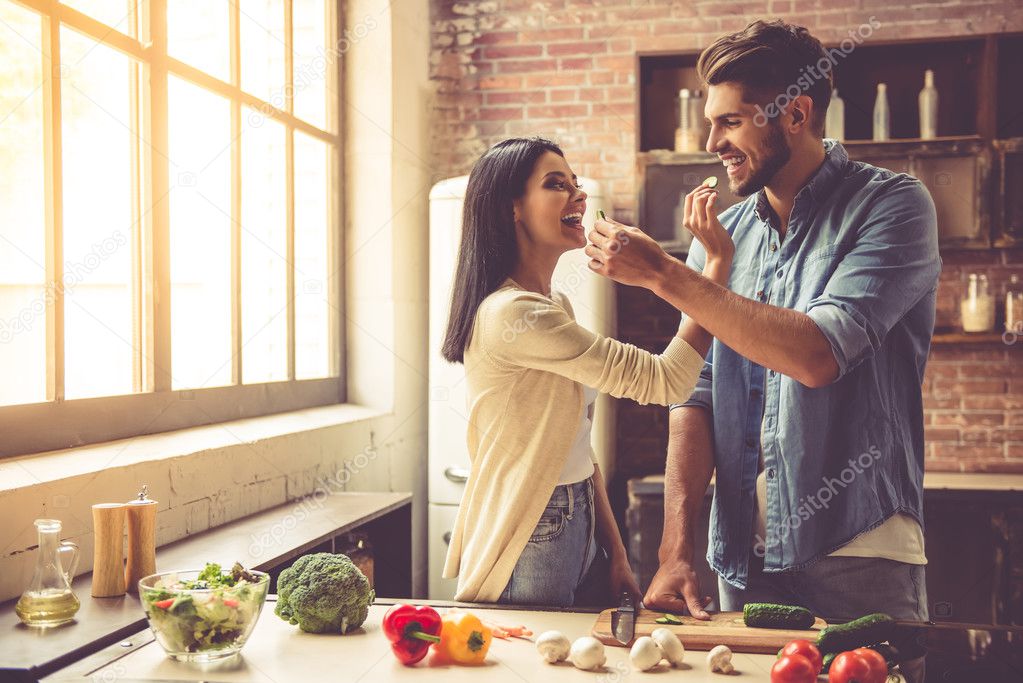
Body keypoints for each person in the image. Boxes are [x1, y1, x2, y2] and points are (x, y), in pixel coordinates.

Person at [586, 20, 939, 631]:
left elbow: (818, 354)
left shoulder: (894, 206)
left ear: (796, 114)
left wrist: (665, 274)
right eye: (711, 122)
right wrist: (675, 550)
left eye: (730, 121)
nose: (712, 141)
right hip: (744, 558)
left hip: (859, 547)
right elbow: (695, 394)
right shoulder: (723, 238)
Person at [440, 137, 734, 606]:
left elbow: (575, 442)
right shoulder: (515, 314)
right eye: (556, 184)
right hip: (532, 527)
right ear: (511, 207)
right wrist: (712, 266)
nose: (578, 195)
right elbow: (668, 381)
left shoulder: (553, 303)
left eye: (575, 183)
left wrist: (614, 551)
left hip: (573, 515)